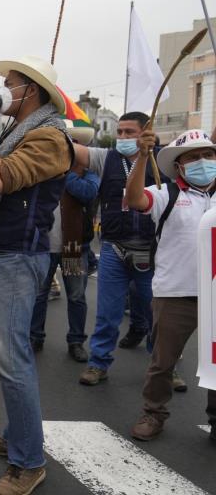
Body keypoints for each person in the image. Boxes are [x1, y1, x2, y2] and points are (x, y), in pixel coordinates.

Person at [0, 56, 72, 495]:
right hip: (6, 252)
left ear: (32, 90)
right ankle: (17, 438)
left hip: (17, 254)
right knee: (11, 356)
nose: (2, 89)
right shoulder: (22, 131)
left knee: (13, 360)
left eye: (10, 84)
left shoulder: (48, 137)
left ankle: (28, 462)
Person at [123, 129, 216, 442]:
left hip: (214, 296)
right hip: (176, 295)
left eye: (209, 155)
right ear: (179, 166)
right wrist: (139, 159)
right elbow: (135, 199)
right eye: (193, 157)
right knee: (163, 363)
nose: (203, 162)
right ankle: (153, 413)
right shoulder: (167, 194)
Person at [72, 112, 165, 386]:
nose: (122, 137)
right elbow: (69, 149)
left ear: (146, 132)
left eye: (129, 132)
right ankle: (98, 363)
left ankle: (164, 367)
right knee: (107, 312)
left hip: (151, 250)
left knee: (157, 313)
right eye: (120, 132)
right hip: (114, 248)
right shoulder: (106, 158)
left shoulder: (164, 161)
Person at [28, 122, 100, 362]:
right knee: (39, 294)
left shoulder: (86, 172)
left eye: (71, 142)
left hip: (72, 247)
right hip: (44, 246)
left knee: (77, 296)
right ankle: (34, 337)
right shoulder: (43, 169)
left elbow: (88, 193)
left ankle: (76, 341)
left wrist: (64, 172)